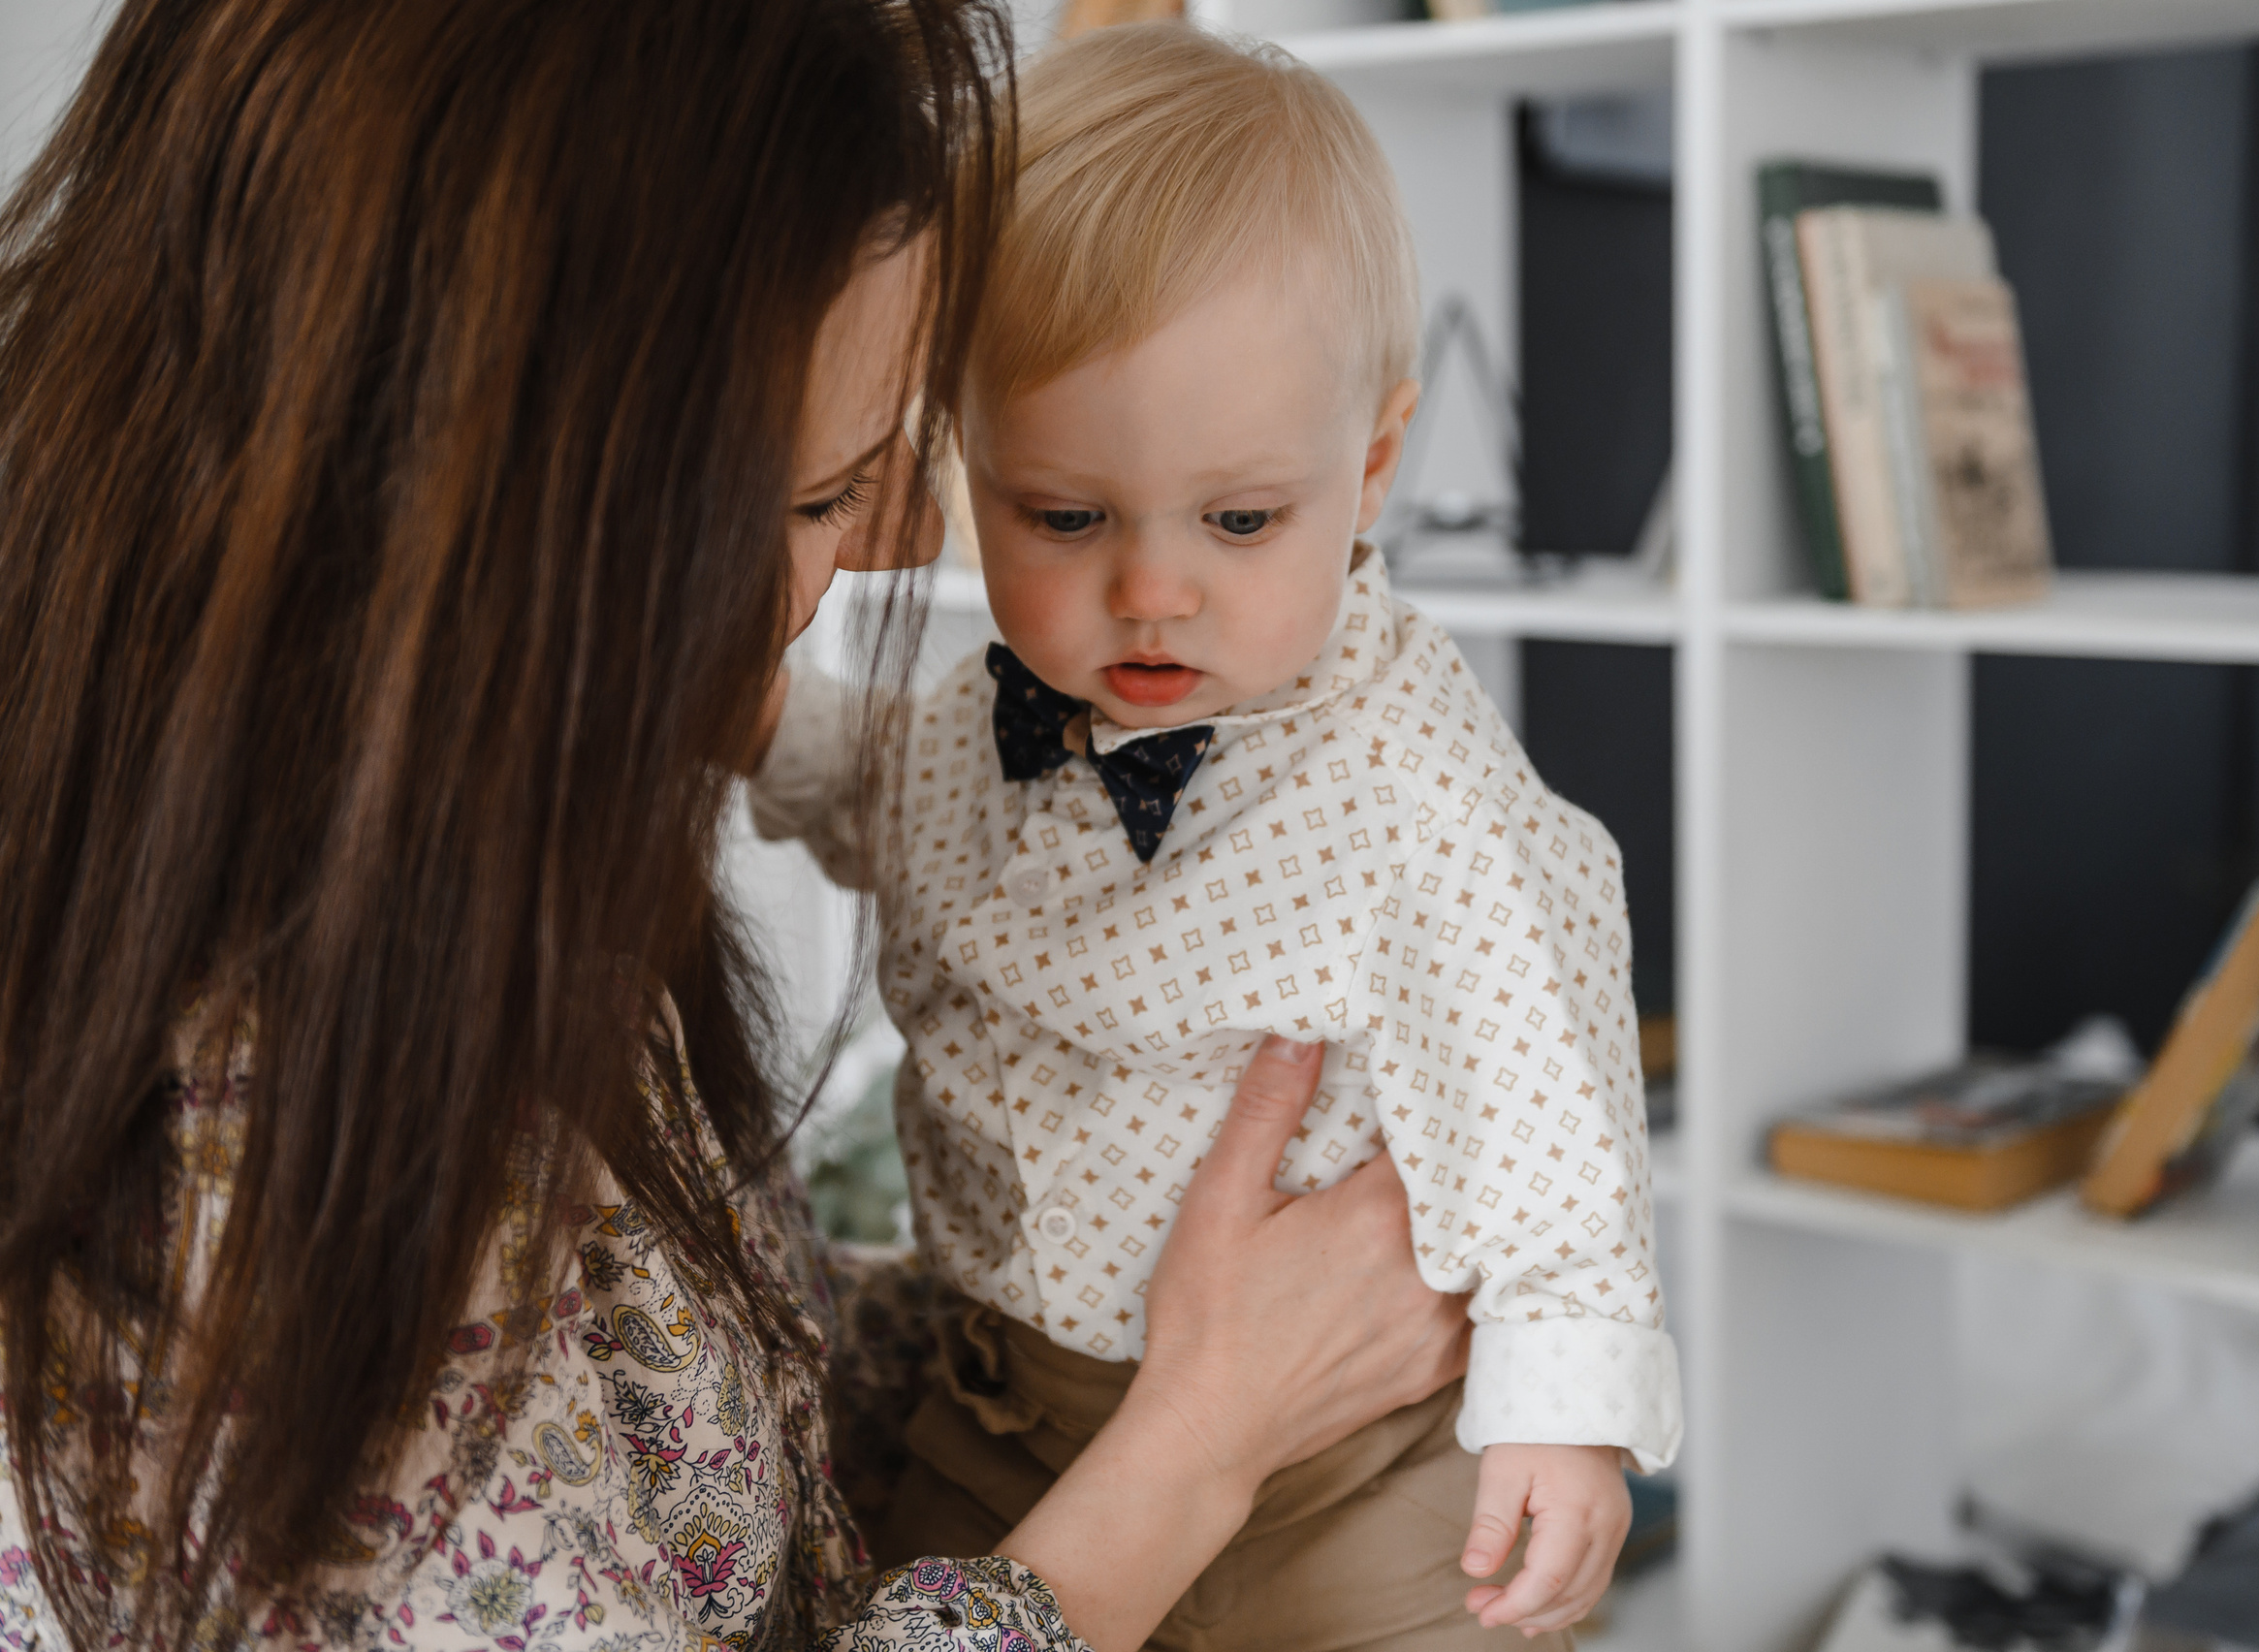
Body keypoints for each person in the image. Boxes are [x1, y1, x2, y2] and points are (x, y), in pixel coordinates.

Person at [0, 3, 1470, 1650]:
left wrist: (1105, 1311)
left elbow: (702, 1447)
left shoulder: (457, 899)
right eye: (821, 494)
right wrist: (1200, 1441)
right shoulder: (250, 1179)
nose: (911, 541)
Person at [748, 23, 1682, 1649]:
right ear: (968, 464)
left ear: (1372, 463)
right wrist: (737, 714)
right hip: (1005, 1422)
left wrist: (1566, 1404)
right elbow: (867, 792)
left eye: (1240, 520)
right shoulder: (984, 716)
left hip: (1347, 1476)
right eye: (1067, 516)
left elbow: (1547, 1097)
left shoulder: (1414, 785)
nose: (1154, 588)